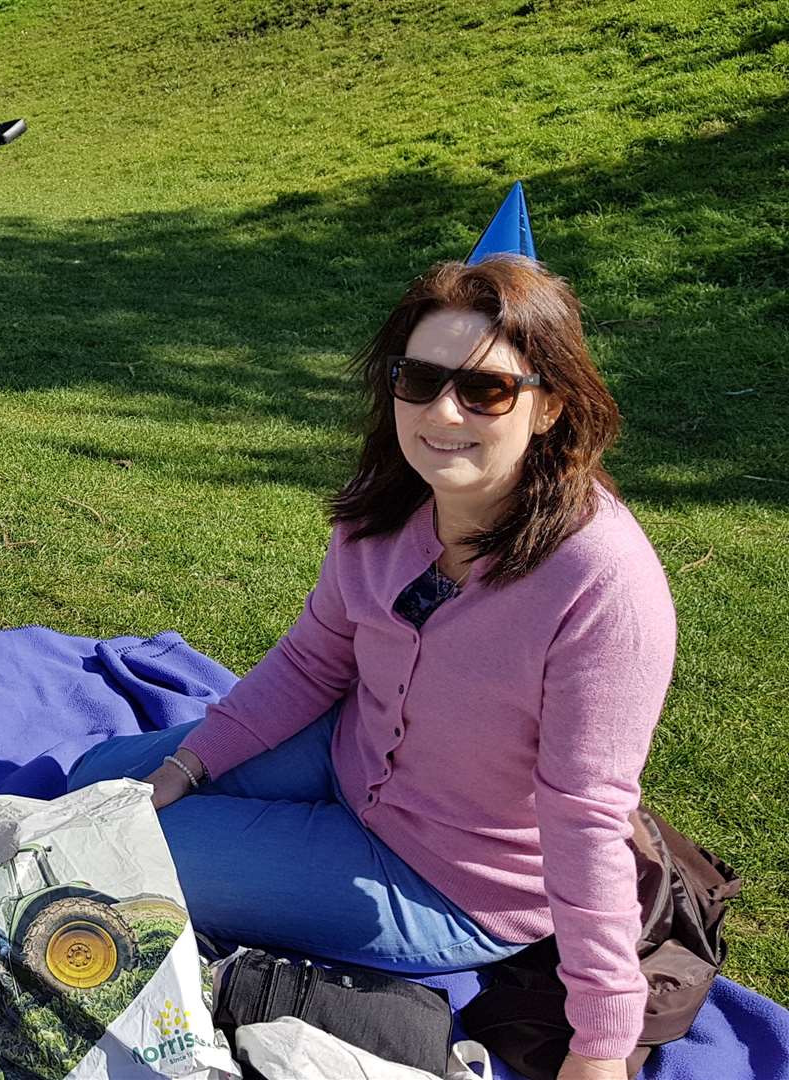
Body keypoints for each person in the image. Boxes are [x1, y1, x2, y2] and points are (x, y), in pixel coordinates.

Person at [66, 192, 671, 1080]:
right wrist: (188, 765)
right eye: (420, 380)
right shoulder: (387, 512)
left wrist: (602, 1041)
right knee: (95, 785)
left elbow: (585, 814)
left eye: (486, 387)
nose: (445, 413)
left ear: (548, 407)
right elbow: (314, 661)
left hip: (448, 879)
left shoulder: (601, 583)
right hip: (351, 763)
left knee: (101, 860)